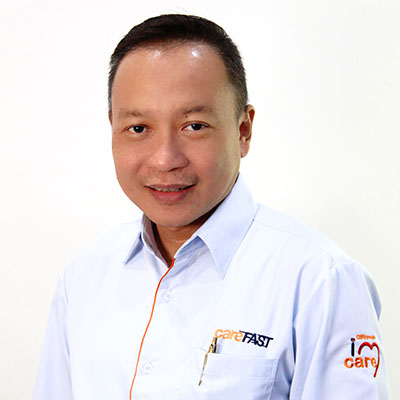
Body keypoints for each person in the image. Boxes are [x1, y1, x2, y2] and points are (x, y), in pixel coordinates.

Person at [33, 14, 390, 399]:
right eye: (138, 128)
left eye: (194, 126)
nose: (165, 159)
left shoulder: (321, 281)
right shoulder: (83, 278)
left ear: (243, 130)